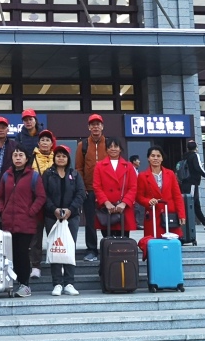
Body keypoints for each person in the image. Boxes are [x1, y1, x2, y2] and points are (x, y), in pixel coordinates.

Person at [0, 147, 46, 298]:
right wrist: (2, 211)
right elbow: (0, 196)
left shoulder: (34, 176)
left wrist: (31, 211)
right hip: (8, 223)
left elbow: (41, 197)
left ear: (26, 158)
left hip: (26, 223)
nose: (18, 158)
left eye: (21, 155)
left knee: (22, 253)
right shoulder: (6, 175)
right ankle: (12, 283)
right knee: (11, 255)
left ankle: (25, 285)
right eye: (15, 155)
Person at [74, 114, 119, 261]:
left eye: (98, 124)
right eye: (92, 124)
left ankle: (109, 246)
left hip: (107, 191)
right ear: (89, 127)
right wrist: (82, 188)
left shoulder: (109, 143)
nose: (95, 127)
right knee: (91, 221)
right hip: (89, 189)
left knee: (109, 219)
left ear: (102, 126)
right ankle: (92, 249)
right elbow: (79, 168)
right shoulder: (82, 145)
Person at [42, 142, 85, 296]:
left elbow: (81, 193)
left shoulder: (75, 174)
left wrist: (70, 209)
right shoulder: (48, 174)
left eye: (64, 156)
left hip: (71, 217)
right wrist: (53, 209)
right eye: (58, 156)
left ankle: (69, 283)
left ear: (68, 159)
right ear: (54, 158)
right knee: (56, 248)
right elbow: (43, 195)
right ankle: (57, 284)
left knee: (69, 248)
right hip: (52, 217)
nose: (61, 158)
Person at [137, 146, 186, 249]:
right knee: (153, 245)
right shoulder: (142, 176)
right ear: (148, 158)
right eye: (153, 156)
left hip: (169, 214)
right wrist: (148, 201)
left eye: (158, 156)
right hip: (153, 215)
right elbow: (139, 197)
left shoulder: (170, 174)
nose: (155, 158)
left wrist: (181, 214)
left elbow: (177, 195)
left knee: (171, 245)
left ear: (162, 158)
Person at [92, 138, 138, 239]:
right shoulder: (99, 166)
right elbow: (97, 187)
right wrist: (106, 203)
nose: (113, 149)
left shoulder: (129, 166)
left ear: (120, 149)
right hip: (106, 209)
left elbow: (133, 187)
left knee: (124, 240)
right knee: (108, 240)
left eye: (116, 146)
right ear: (106, 149)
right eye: (110, 147)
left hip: (123, 209)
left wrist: (124, 203)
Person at [27, 130, 57, 280]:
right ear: (38, 143)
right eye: (42, 140)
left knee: (55, 236)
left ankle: (57, 265)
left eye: (48, 140)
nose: (45, 142)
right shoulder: (31, 158)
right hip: (36, 203)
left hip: (53, 203)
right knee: (35, 237)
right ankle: (35, 266)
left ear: (52, 144)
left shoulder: (58, 158)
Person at [179, 139, 205, 228]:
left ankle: (204, 222)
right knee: (191, 202)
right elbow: (198, 168)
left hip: (185, 182)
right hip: (192, 182)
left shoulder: (185, 156)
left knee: (193, 203)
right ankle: (186, 223)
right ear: (196, 147)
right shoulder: (195, 155)